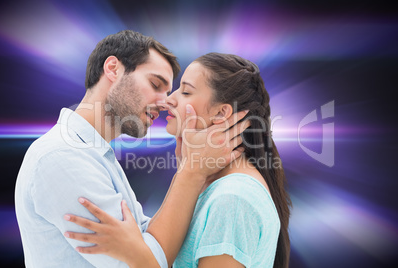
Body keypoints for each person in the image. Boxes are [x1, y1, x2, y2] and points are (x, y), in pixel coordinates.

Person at [15, 30, 249, 268]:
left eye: (169, 92)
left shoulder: (96, 154)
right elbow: (145, 262)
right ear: (113, 69)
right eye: (155, 84)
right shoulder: (63, 158)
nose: (165, 101)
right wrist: (192, 172)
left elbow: (144, 237)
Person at [64, 53, 292, 268]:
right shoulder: (218, 187)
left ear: (221, 114)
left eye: (185, 91)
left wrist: (134, 255)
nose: (168, 100)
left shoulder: (232, 199)